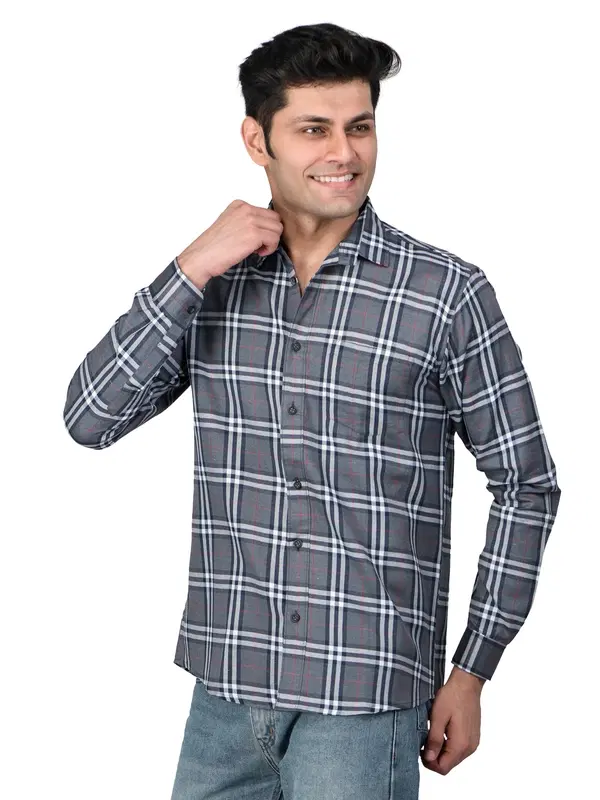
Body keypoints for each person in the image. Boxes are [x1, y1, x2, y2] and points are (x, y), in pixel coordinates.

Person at [63, 21, 561, 800]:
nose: (344, 152)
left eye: (360, 127)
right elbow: (91, 417)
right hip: (225, 692)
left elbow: (528, 484)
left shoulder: (444, 294)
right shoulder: (213, 284)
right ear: (256, 141)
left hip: (363, 704)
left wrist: (473, 668)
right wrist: (190, 266)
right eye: (313, 129)